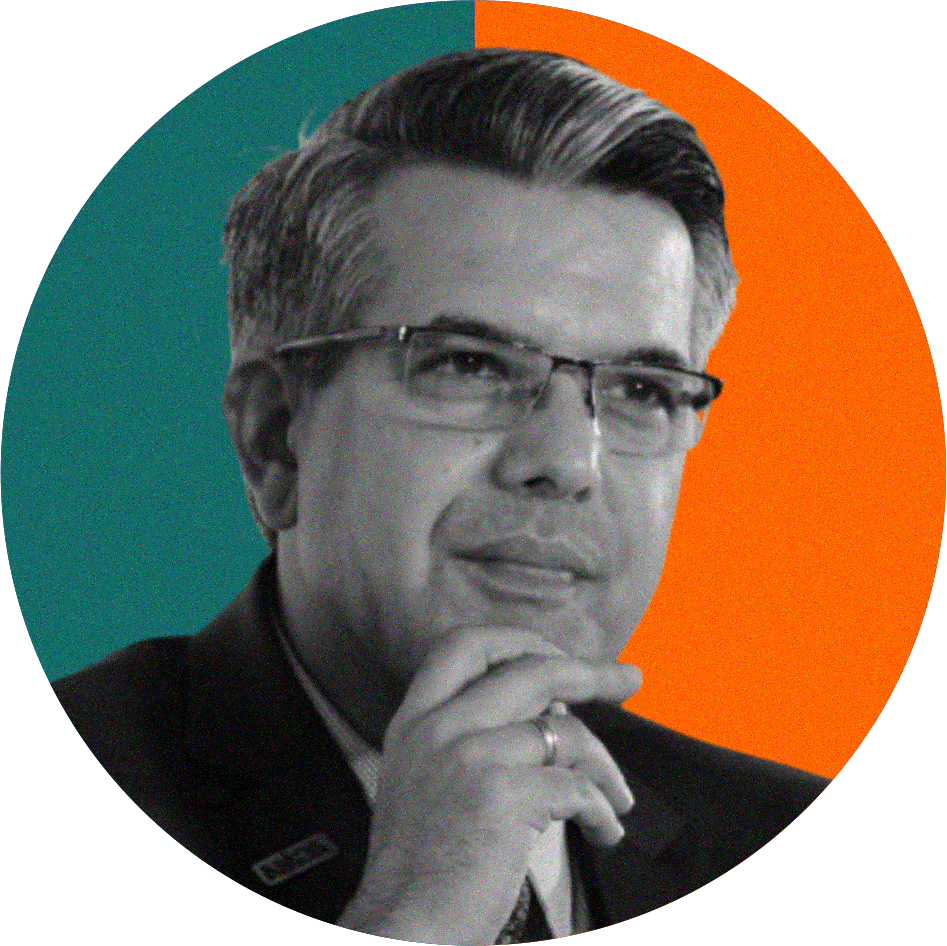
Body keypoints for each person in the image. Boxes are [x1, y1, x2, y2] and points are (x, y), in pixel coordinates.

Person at [53, 49, 828, 943]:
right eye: (469, 366)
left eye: (640, 390)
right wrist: (418, 912)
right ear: (276, 438)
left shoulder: (802, 849)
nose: (567, 462)